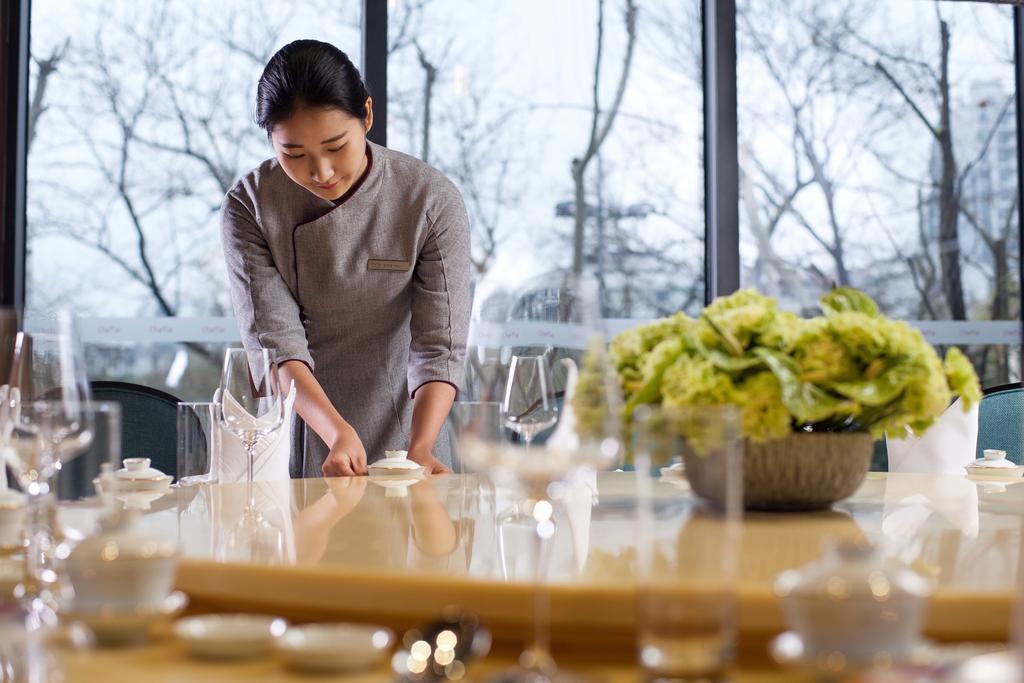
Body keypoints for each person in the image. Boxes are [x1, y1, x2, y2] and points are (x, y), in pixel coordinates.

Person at [221, 39, 471, 478]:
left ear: (367, 116)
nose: (321, 172)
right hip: (300, 431)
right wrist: (335, 432)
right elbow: (276, 346)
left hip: (411, 440)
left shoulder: (428, 199)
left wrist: (422, 447)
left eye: (336, 146)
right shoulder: (250, 206)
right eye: (293, 155)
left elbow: (439, 347)